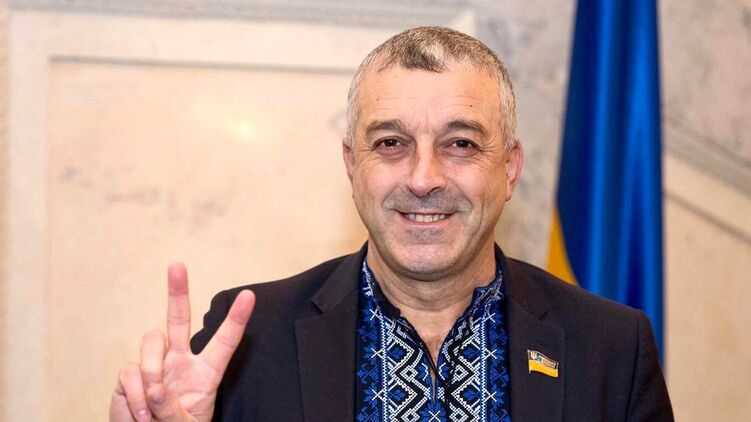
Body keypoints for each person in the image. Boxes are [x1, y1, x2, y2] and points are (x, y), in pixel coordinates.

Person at [110, 26, 674, 422]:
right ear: (352, 165)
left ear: (509, 168)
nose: (424, 178)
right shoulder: (249, 343)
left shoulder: (612, 349)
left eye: (460, 143)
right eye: (390, 143)